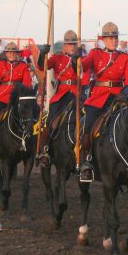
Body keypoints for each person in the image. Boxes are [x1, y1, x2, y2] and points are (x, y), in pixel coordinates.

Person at [77, 22, 128, 182]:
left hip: (119, 97)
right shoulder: (95, 54)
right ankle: (86, 162)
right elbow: (83, 66)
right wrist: (77, 57)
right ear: (103, 39)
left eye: (115, 38)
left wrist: (127, 93)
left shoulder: (125, 57)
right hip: (99, 97)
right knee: (88, 125)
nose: (113, 41)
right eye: (110, 38)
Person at [36, 30, 81, 166]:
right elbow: (41, 66)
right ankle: (46, 149)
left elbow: (81, 74)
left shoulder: (80, 58)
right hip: (61, 95)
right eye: (69, 44)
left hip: (76, 94)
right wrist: (43, 53)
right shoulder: (57, 58)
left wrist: (75, 61)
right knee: (50, 120)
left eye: (74, 43)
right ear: (64, 46)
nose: (72, 46)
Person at [0, 42, 32, 153]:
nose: (11, 54)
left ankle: (29, 139)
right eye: (9, 52)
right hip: (2, 96)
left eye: (13, 52)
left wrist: (20, 91)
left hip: (17, 97)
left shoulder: (23, 66)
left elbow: (27, 83)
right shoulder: (0, 64)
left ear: (16, 53)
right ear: (6, 53)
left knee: (30, 115)